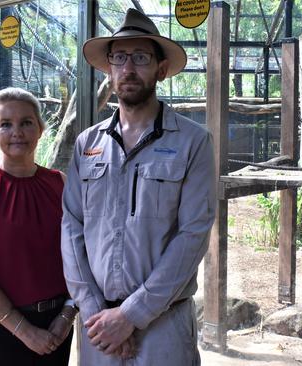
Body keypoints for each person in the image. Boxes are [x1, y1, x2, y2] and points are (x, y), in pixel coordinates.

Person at [61, 8, 216, 365]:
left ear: (161, 70)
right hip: (98, 328)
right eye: (119, 58)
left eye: (141, 57)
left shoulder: (193, 143)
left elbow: (192, 236)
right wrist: (95, 311)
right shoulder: (87, 144)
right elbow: (72, 228)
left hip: (163, 327)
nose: (128, 68)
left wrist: (130, 316)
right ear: (108, 69)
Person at [0, 87, 76, 365]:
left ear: (41, 129)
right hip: (0, 327)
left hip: (56, 327)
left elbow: (79, 258)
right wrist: (26, 332)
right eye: (5, 124)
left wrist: (67, 317)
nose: (17, 131)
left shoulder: (61, 184)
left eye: (26, 122)